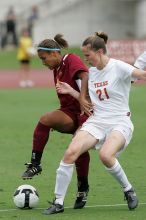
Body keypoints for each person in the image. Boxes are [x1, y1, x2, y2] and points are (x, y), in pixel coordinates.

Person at [43, 31, 146, 215]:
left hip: (119, 122)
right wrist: (72, 92)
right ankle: (58, 202)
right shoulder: (91, 74)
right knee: (70, 153)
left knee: (106, 155)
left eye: (88, 55)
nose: (86, 59)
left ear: (99, 52)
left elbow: (140, 73)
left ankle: (128, 190)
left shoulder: (118, 67)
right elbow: (90, 102)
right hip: (97, 121)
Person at [21, 34, 91, 209]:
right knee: (45, 120)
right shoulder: (56, 69)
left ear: (54, 54)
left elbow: (85, 75)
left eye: (44, 58)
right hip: (69, 112)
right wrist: (57, 122)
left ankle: (83, 187)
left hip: (86, 113)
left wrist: (82, 97)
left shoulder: (70, 59)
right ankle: (35, 164)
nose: (43, 62)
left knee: (78, 148)